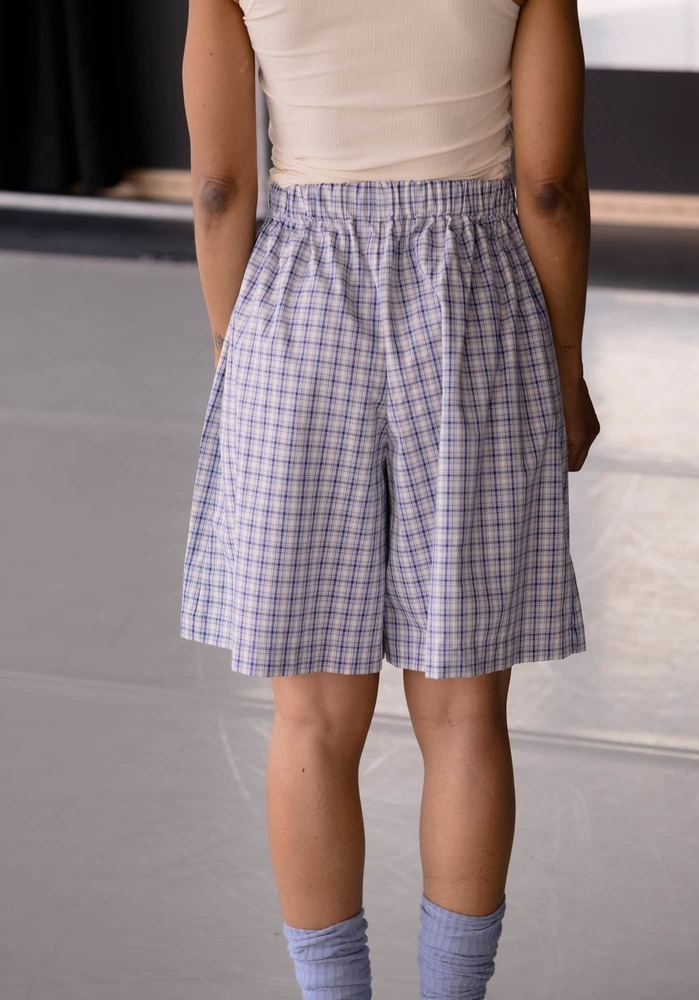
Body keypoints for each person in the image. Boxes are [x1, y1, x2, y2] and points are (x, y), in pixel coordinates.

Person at [179, 0, 600, 996]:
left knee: (311, 721)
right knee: (464, 715)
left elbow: (220, 186)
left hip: (297, 302)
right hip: (473, 297)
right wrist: (564, 368)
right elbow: (547, 185)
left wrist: (236, 357)